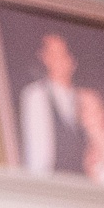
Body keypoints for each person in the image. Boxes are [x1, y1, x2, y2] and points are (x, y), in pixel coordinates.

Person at [18, 30, 84, 173]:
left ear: (72, 61)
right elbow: (37, 157)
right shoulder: (36, 95)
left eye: (60, 54)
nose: (54, 60)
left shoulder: (85, 98)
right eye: (50, 54)